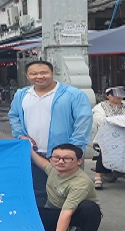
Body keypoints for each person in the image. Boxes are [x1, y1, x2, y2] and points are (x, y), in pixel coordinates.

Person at [8, 60, 93, 206]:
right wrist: (21, 136)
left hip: (62, 157)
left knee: (68, 192)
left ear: (52, 73)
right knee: (37, 192)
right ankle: (45, 225)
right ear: (27, 75)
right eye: (34, 73)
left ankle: (70, 225)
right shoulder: (22, 95)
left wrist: (73, 149)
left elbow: (83, 120)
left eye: (44, 72)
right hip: (33, 154)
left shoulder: (73, 94)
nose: (39, 76)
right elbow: (14, 116)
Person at [29, 143, 102, 231]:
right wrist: (29, 150)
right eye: (56, 157)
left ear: (79, 161)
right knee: (29, 211)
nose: (61, 161)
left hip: (76, 213)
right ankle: (65, 229)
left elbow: (67, 212)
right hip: (54, 211)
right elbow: (41, 162)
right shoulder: (53, 169)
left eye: (67, 158)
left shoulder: (80, 182)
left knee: (90, 208)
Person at [91, 86, 125, 188]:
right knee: (105, 151)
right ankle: (98, 177)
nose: (118, 97)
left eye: (120, 95)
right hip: (110, 134)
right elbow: (99, 118)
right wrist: (114, 122)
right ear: (108, 96)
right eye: (115, 95)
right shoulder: (100, 106)